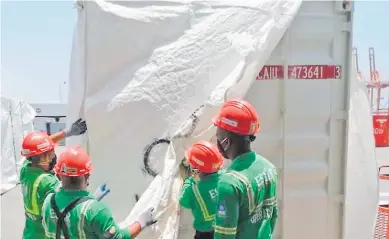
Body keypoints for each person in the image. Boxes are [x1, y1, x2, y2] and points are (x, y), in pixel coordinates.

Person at [41, 145, 157, 239]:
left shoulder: (48, 202)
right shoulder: (96, 211)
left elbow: (66, 218)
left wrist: (88, 202)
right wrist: (141, 223)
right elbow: (118, 237)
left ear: (58, 175)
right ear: (87, 176)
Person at [212, 99, 278, 239]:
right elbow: (273, 215)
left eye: (218, 136)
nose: (217, 142)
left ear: (227, 140)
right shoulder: (269, 167)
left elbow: (224, 235)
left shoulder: (229, 183)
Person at [20, 118, 88, 239]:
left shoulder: (25, 169)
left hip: (30, 233)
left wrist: (66, 133)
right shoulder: (49, 182)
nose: (53, 157)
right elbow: (73, 203)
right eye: (50, 154)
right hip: (44, 234)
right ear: (43, 157)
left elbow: (36, 147)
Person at [180, 140, 224, 239]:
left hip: (205, 234)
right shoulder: (226, 177)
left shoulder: (194, 188)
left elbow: (184, 201)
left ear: (196, 168)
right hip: (226, 228)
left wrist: (188, 180)